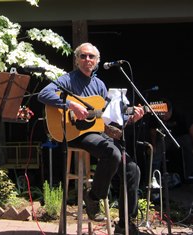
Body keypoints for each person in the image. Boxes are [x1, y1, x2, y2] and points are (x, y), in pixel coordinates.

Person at [38, 42, 144, 234]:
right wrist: (70, 105)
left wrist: (130, 117)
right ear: (77, 59)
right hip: (74, 134)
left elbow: (108, 118)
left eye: (91, 57)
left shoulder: (99, 85)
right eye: (83, 56)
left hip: (96, 133)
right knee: (112, 153)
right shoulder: (68, 80)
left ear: (97, 61)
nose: (87, 60)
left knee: (132, 169)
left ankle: (125, 224)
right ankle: (94, 198)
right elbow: (44, 94)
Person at [149, 98, 193, 183]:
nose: (163, 118)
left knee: (188, 143)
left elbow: (191, 129)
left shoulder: (180, 113)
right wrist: (153, 145)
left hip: (181, 136)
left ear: (171, 110)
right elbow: (153, 131)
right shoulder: (156, 113)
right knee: (157, 150)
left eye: (165, 116)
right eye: (162, 116)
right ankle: (154, 178)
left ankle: (189, 175)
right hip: (166, 137)